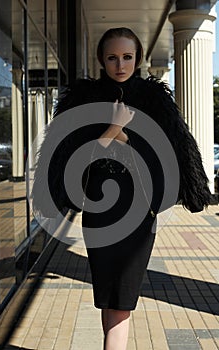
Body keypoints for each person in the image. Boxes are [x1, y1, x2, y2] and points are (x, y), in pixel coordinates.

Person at [32, 27, 211, 350]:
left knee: (123, 300)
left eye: (127, 57)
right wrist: (113, 128)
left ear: (138, 58)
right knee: (109, 297)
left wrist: (127, 136)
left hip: (139, 212)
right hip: (100, 212)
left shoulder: (155, 100)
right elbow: (75, 161)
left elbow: (169, 155)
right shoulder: (83, 99)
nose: (120, 65)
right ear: (101, 59)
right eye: (112, 57)